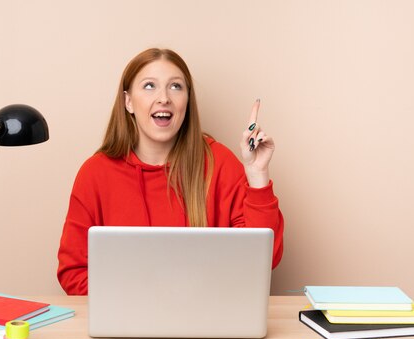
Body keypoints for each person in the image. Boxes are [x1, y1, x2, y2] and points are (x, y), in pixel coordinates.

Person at [56, 48, 284, 295]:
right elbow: (73, 272)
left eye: (175, 87)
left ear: (187, 100)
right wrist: (139, 302)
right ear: (128, 102)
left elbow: (263, 260)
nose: (164, 98)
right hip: (128, 326)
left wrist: (257, 175)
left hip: (207, 319)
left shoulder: (219, 162)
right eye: (149, 86)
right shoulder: (95, 173)